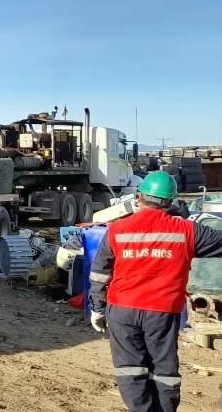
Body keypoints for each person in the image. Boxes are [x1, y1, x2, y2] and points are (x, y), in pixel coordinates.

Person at [89, 171, 222, 411]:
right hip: (162, 311)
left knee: (130, 369)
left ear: (139, 197)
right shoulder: (188, 230)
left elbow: (100, 273)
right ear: (171, 202)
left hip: (122, 309)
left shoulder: (117, 230)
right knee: (164, 370)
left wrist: (97, 308)